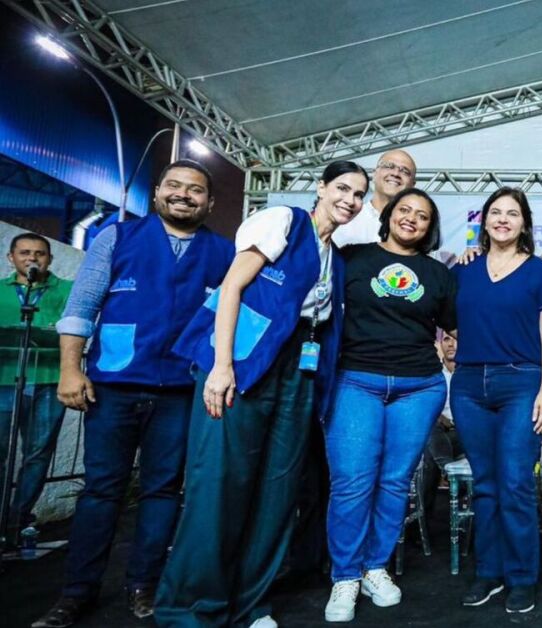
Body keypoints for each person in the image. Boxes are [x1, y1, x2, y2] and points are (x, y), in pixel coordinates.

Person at [155, 161, 367, 628]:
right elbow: (232, 287)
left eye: (358, 195)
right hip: (244, 360)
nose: (349, 200)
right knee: (219, 486)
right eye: (342, 188)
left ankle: (249, 604)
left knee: (277, 493)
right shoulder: (284, 221)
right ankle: (191, 608)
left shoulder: (335, 257)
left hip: (298, 372)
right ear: (321, 188)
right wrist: (220, 366)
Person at [29, 161, 234, 628]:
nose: (184, 195)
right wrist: (69, 370)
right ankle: (77, 592)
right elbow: (82, 305)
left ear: (209, 203)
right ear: (156, 192)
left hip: (182, 391)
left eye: (196, 190)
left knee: (163, 491)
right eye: (174, 186)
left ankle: (144, 585)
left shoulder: (224, 253)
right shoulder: (116, 237)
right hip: (113, 388)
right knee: (101, 491)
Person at [322, 188, 456, 622]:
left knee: (396, 482)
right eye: (405, 210)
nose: (411, 218)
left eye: (422, 215)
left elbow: (456, 326)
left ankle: (375, 567)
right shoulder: (352, 258)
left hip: (419, 387)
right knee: (352, 481)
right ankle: (345, 574)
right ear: (390, 215)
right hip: (355, 381)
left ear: (430, 227)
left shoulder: (438, 274)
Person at [451, 187, 542, 614]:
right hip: (468, 385)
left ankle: (521, 577)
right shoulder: (464, 269)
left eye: (512, 213)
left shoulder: (539, 271)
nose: (502, 219)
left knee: (515, 482)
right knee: (485, 484)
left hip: (521, 382)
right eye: (495, 212)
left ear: (524, 223)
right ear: (484, 221)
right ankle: (489, 572)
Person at [1, 234, 72, 535]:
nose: (32, 258)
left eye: (40, 254)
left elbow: (73, 330)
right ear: (11, 257)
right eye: (25, 252)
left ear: (49, 259)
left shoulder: (67, 290)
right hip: (4, 380)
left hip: (48, 380)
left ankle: (15, 522)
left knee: (38, 453)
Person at [333, 149, 417, 247]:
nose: (396, 173)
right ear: (374, 174)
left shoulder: (415, 228)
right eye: (389, 166)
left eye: (405, 171)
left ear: (413, 185)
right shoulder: (346, 216)